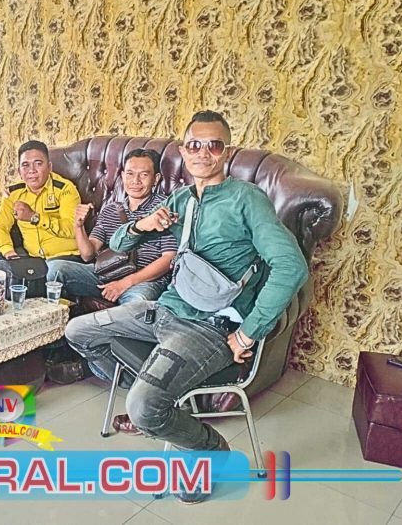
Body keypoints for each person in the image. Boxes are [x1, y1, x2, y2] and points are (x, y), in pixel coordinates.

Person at [66, 110, 308, 502]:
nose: (203, 153)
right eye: (194, 145)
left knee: (143, 408)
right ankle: (158, 405)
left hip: (209, 327)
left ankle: (208, 448)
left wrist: (249, 332)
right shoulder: (180, 200)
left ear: (225, 152)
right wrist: (143, 225)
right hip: (164, 309)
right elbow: (120, 243)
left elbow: (291, 267)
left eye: (214, 145)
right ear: (183, 150)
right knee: (77, 331)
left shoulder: (246, 200)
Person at [46, 148, 177, 306]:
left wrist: (124, 283)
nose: (135, 181)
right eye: (130, 174)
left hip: (144, 281)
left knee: (137, 304)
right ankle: (53, 318)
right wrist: (78, 226)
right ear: (122, 176)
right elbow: (88, 255)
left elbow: (169, 258)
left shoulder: (165, 208)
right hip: (108, 273)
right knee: (55, 268)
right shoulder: (111, 209)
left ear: (156, 179)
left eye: (143, 175)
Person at [0, 140, 81, 263]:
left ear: (49, 167)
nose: (32, 170)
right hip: (33, 258)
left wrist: (35, 217)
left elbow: (73, 228)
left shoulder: (65, 189)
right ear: (19, 172)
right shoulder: (14, 194)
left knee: (55, 267)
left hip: (64, 257)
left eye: (38, 164)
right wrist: (9, 253)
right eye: (25, 165)